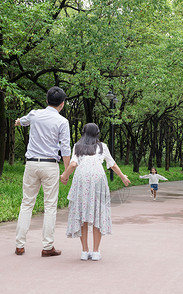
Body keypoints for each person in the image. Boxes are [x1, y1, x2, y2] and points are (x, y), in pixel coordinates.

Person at [14, 86, 71, 257]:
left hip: (31, 164)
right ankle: (47, 247)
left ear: (46, 100)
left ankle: (19, 245)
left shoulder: (35, 114)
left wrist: (17, 121)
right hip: (50, 165)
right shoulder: (62, 122)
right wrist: (66, 173)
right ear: (62, 104)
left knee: (26, 203)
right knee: (50, 206)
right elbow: (65, 149)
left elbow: (22, 121)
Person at [60, 123, 130, 261]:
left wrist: (64, 176)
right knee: (97, 213)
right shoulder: (102, 146)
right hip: (98, 180)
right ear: (97, 134)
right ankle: (96, 251)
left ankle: (85, 251)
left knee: (82, 213)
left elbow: (73, 164)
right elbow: (112, 164)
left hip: (82, 181)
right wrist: (123, 177)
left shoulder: (77, 146)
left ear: (83, 133)